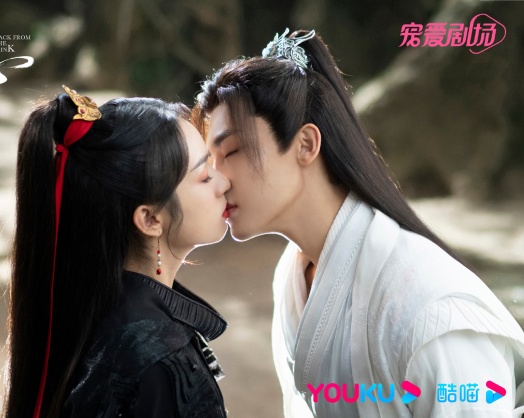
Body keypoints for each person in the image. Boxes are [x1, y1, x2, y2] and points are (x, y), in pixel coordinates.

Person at [193, 29, 524, 417]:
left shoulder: (429, 309)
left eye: (231, 151)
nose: (217, 179)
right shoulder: (293, 274)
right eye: (210, 161)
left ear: (305, 145)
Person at [2, 86, 231, 418]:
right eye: (205, 175)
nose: (223, 183)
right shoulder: (160, 363)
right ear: (150, 219)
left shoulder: (87, 307)